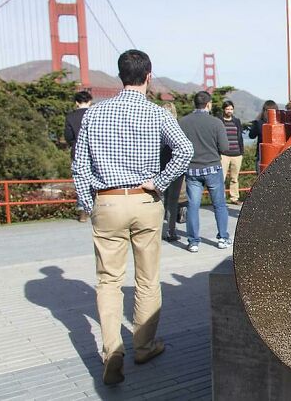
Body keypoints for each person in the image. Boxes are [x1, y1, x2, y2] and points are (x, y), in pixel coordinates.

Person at [72, 50, 194, 385]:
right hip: (144, 201)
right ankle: (144, 345)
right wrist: (160, 181)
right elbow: (185, 149)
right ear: (148, 76)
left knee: (109, 281)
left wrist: (89, 203)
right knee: (147, 278)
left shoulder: (94, 115)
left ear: (120, 75)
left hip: (107, 202)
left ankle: (112, 349)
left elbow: (79, 165)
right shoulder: (157, 114)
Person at [179, 91, 232, 252]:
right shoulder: (216, 123)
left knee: (193, 206)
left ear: (195, 103)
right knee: (219, 205)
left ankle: (193, 242)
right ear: (208, 104)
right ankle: (223, 238)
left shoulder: (183, 122)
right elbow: (224, 148)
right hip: (212, 168)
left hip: (192, 170)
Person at [64, 90, 93, 222]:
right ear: (90, 101)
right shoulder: (95, 114)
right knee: (97, 178)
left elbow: (68, 136)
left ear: (76, 102)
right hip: (94, 151)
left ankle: (82, 210)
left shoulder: (70, 117)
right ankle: (96, 208)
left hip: (77, 151)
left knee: (81, 180)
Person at [160, 102, 186, 241]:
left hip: (159, 168)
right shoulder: (178, 128)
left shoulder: (155, 127)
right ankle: (171, 230)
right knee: (172, 201)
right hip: (175, 169)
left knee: (160, 200)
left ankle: (157, 229)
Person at [218, 100, 245, 205]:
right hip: (224, 154)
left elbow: (240, 136)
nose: (229, 111)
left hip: (237, 154)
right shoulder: (219, 121)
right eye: (227, 109)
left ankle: (234, 198)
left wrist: (241, 151)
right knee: (222, 178)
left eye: (231, 109)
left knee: (235, 178)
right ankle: (221, 199)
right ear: (224, 109)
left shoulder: (236, 121)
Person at [248, 99, 277, 174]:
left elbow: (251, 135)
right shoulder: (279, 123)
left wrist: (255, 123)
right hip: (277, 155)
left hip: (261, 155)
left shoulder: (259, 123)